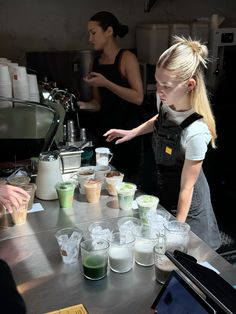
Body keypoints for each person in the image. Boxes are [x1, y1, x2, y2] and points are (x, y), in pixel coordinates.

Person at [104, 36, 221, 250]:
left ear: (190, 85)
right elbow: (161, 118)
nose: (159, 90)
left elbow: (187, 188)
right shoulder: (167, 100)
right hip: (166, 194)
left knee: (191, 264)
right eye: (157, 82)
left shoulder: (196, 132)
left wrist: (176, 230)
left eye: (165, 85)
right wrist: (132, 132)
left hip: (189, 209)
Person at [78, 11, 144, 181]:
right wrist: (83, 105)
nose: (90, 38)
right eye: (89, 34)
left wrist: (106, 83)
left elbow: (138, 97)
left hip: (127, 132)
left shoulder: (127, 58)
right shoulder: (96, 62)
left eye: (93, 33)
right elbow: (98, 103)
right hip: (106, 132)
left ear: (108, 31)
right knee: (105, 177)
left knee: (126, 180)